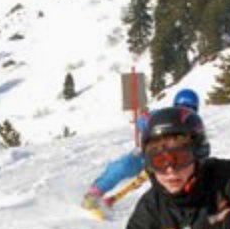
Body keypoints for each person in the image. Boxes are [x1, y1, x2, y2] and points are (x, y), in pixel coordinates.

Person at [83, 88, 200, 216]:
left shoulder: (195, 125)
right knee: (124, 165)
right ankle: (94, 193)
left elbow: (199, 147)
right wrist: (146, 121)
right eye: (181, 107)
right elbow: (142, 121)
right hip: (150, 153)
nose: (185, 111)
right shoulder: (163, 115)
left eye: (190, 108)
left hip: (175, 162)